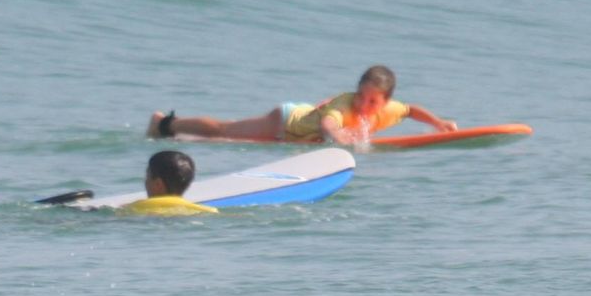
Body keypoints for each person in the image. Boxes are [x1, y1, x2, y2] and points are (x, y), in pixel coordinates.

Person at [147, 65, 458, 147]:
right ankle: (163, 123)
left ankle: (173, 129)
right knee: (222, 132)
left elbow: (412, 109)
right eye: (361, 96)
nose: (364, 105)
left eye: (373, 101)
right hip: (285, 122)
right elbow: (328, 124)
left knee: (226, 137)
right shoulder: (344, 105)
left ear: (385, 102)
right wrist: (339, 137)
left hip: (295, 138)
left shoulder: (391, 109)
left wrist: (439, 124)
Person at [124, 149, 212, 215]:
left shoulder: (135, 208)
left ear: (158, 184)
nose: (145, 182)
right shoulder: (206, 211)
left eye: (147, 177)